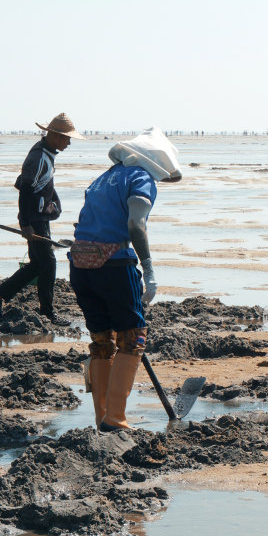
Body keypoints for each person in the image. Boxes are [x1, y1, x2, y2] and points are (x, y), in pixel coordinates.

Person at [69, 127, 182, 432]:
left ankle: (102, 417)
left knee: (102, 341)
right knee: (133, 338)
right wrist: (149, 270)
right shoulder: (140, 177)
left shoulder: (105, 177)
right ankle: (116, 418)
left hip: (80, 264)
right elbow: (136, 225)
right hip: (113, 266)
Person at [0, 113, 84, 323]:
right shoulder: (38, 157)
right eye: (67, 138)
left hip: (39, 217)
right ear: (56, 136)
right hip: (34, 219)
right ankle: (47, 312)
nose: (69, 142)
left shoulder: (46, 153)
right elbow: (25, 190)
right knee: (48, 263)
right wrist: (26, 224)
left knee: (38, 264)